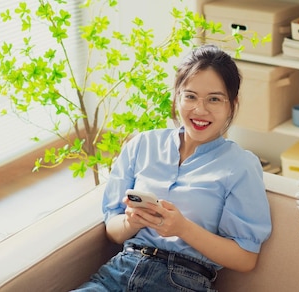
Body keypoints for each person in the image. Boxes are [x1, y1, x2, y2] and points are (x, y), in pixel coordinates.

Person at [75, 44, 272, 291]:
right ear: (177, 96)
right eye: (190, 96)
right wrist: (131, 223)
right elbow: (113, 230)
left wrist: (183, 228)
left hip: (182, 281)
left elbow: (246, 258)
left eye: (214, 99)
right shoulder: (142, 145)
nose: (200, 110)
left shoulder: (240, 166)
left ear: (232, 104)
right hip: (119, 272)